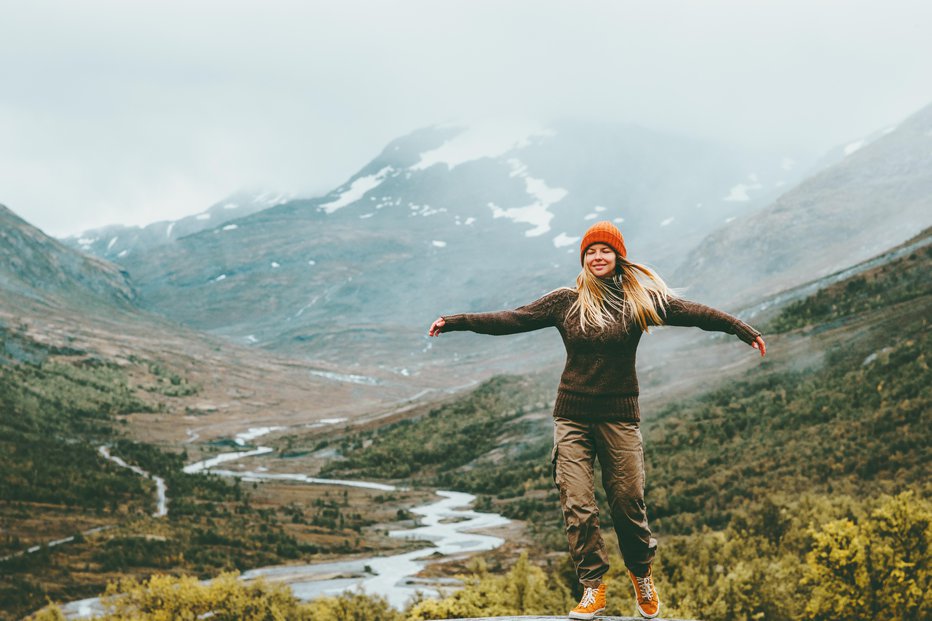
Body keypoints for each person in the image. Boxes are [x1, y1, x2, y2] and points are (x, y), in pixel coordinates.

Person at [428, 220, 766, 619]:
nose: (598, 257)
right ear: (583, 258)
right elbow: (512, 319)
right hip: (571, 417)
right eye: (591, 251)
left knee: (627, 503)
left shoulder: (639, 300)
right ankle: (593, 588)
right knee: (578, 505)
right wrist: (456, 321)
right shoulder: (565, 301)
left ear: (618, 256)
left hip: (619, 418)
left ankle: (641, 575)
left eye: (605, 250)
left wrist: (741, 329)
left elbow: (693, 313)